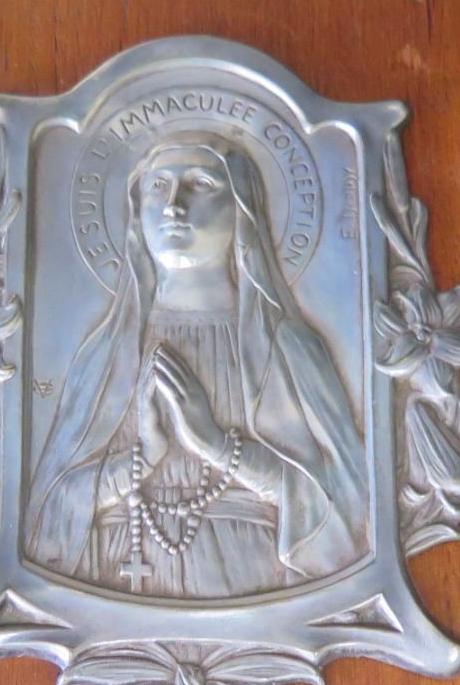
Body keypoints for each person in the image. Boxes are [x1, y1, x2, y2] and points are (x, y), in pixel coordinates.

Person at [28, 129, 367, 599]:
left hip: (247, 581)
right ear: (136, 212)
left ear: (242, 208)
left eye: (200, 184)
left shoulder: (288, 348)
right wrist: (141, 459)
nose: (174, 205)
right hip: (124, 577)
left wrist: (218, 446)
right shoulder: (105, 354)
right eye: (158, 186)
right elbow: (47, 522)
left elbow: (350, 516)